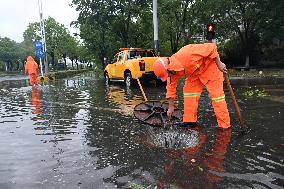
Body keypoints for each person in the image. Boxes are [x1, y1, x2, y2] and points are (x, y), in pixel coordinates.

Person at [153, 43, 230, 129]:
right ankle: (190, 122)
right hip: (194, 73)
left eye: (167, 75)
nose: (168, 77)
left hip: (209, 67)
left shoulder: (188, 53)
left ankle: (224, 126)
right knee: (189, 93)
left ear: (169, 68)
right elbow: (171, 89)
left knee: (217, 98)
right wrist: (171, 107)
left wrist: (219, 64)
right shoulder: (172, 72)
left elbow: (211, 47)